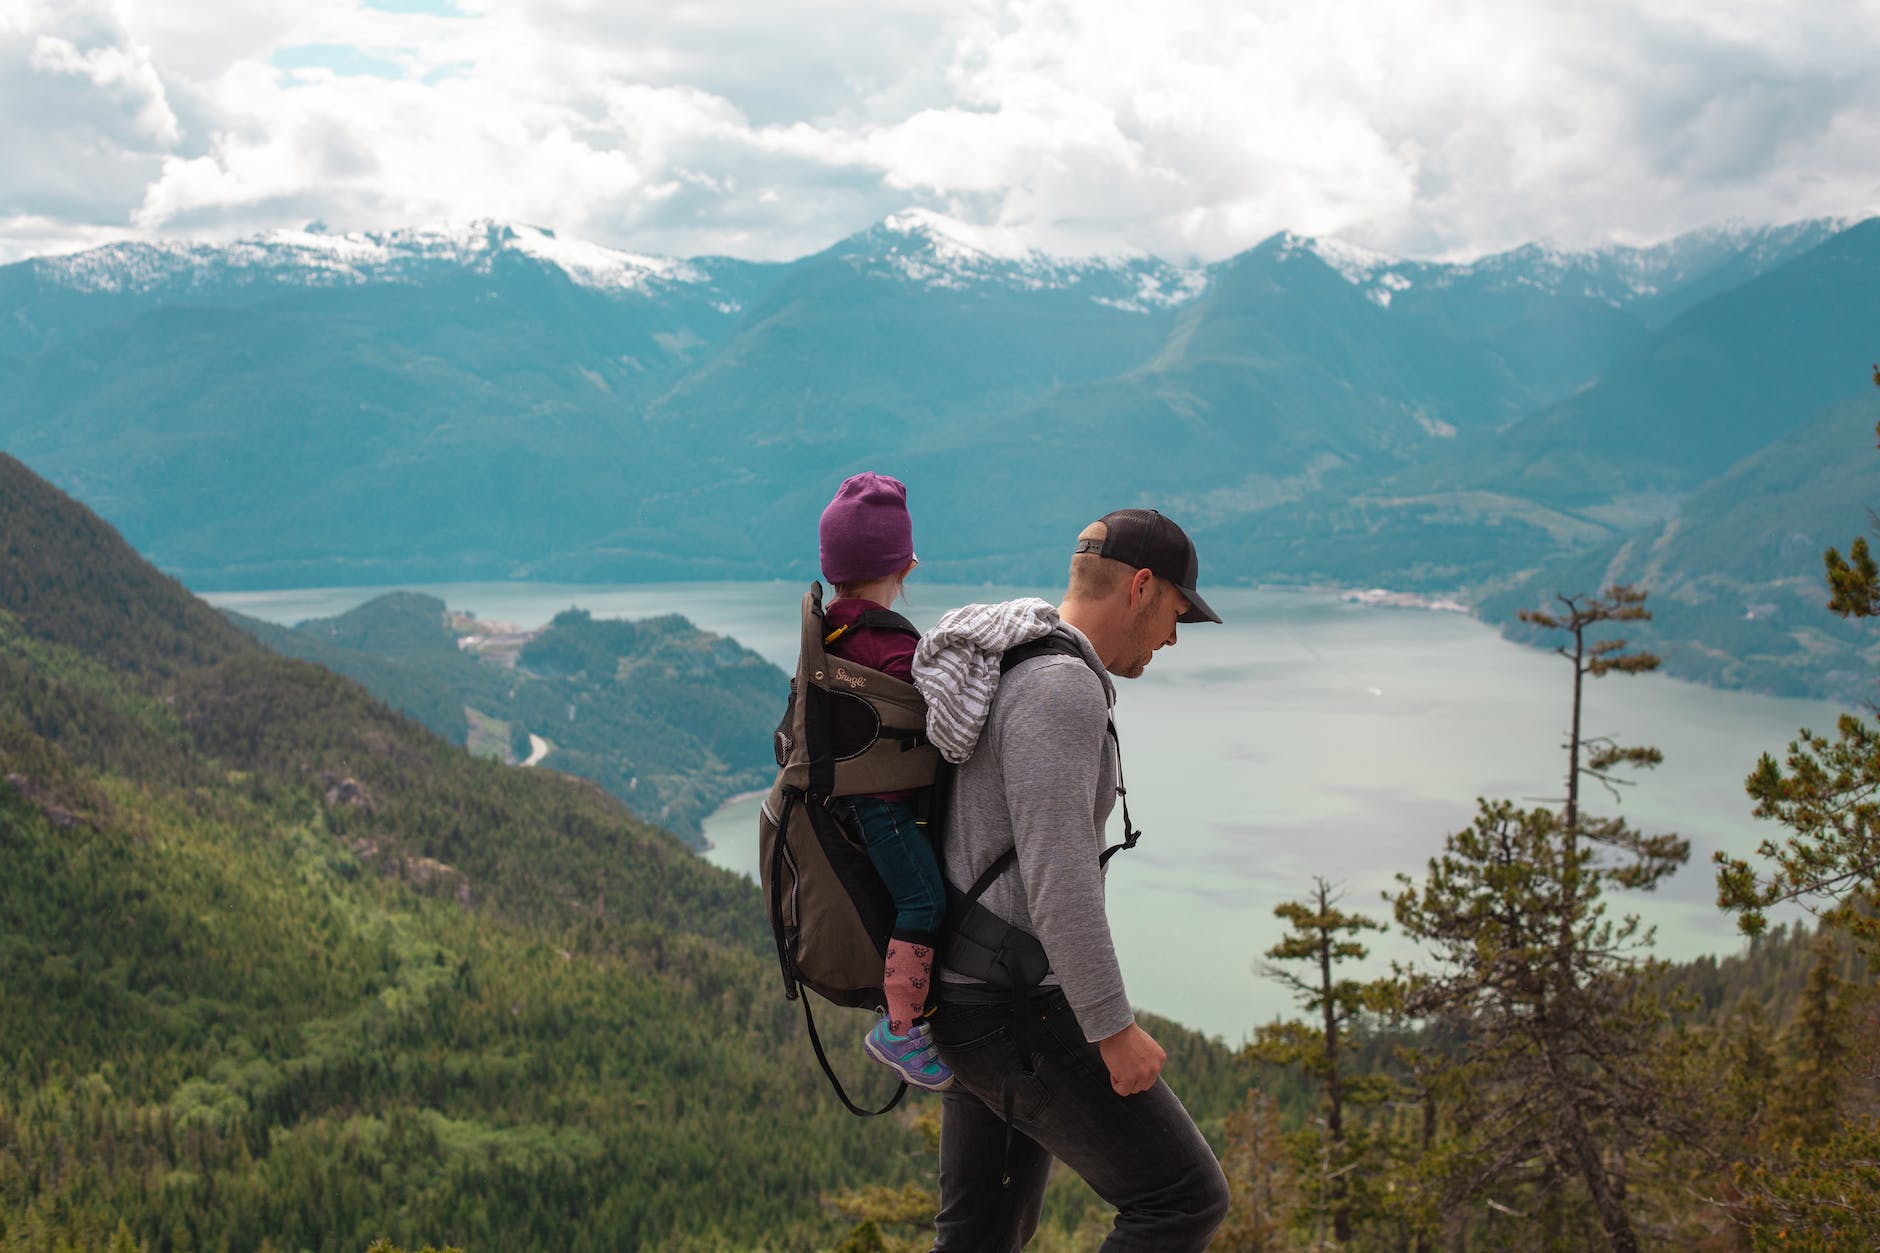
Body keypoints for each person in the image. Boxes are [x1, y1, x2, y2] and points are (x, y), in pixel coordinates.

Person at [911, 507, 1231, 1253]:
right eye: (1176, 615)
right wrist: (1112, 1030)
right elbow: (1060, 881)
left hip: (968, 996)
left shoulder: (1011, 660)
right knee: (1181, 1197)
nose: (1173, 638)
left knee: (978, 1237)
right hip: (1017, 1010)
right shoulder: (1061, 687)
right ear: (1142, 588)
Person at [816, 471, 954, 1092]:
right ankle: (900, 1028)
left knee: (912, 898)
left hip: (852, 801)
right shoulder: (888, 644)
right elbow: (937, 713)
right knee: (924, 902)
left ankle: (906, 1013)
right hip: (888, 809)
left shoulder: (832, 631)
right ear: (902, 566)